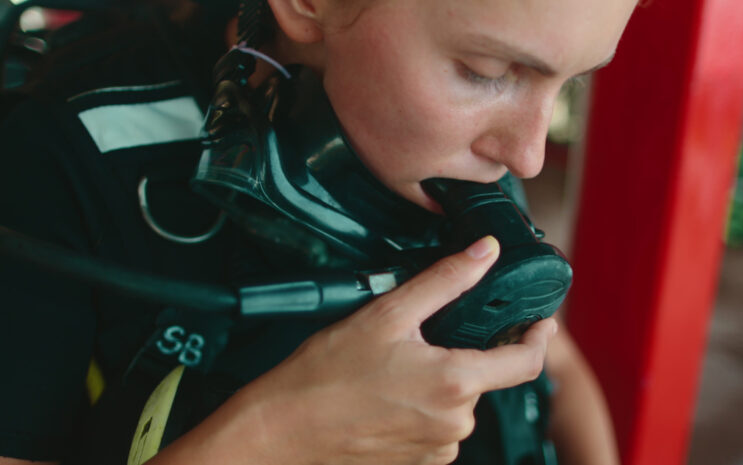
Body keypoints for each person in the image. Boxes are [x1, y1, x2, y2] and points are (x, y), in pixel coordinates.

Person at [0, 0, 636, 463]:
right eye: (486, 69)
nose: (527, 156)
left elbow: (558, 368)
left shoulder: (465, 155)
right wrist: (277, 434)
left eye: (572, 79)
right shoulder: (64, 156)